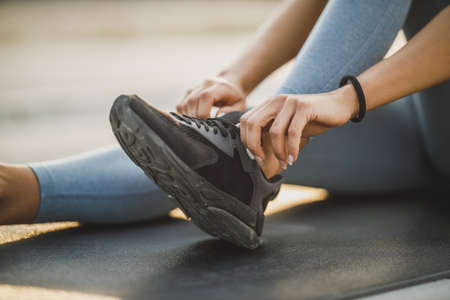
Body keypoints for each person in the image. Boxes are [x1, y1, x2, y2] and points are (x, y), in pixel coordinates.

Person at [1, 0, 449, 247]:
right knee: (208, 153)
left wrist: (348, 98)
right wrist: (238, 76)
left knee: (245, 148)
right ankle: (18, 191)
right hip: (422, 132)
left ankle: (245, 164)